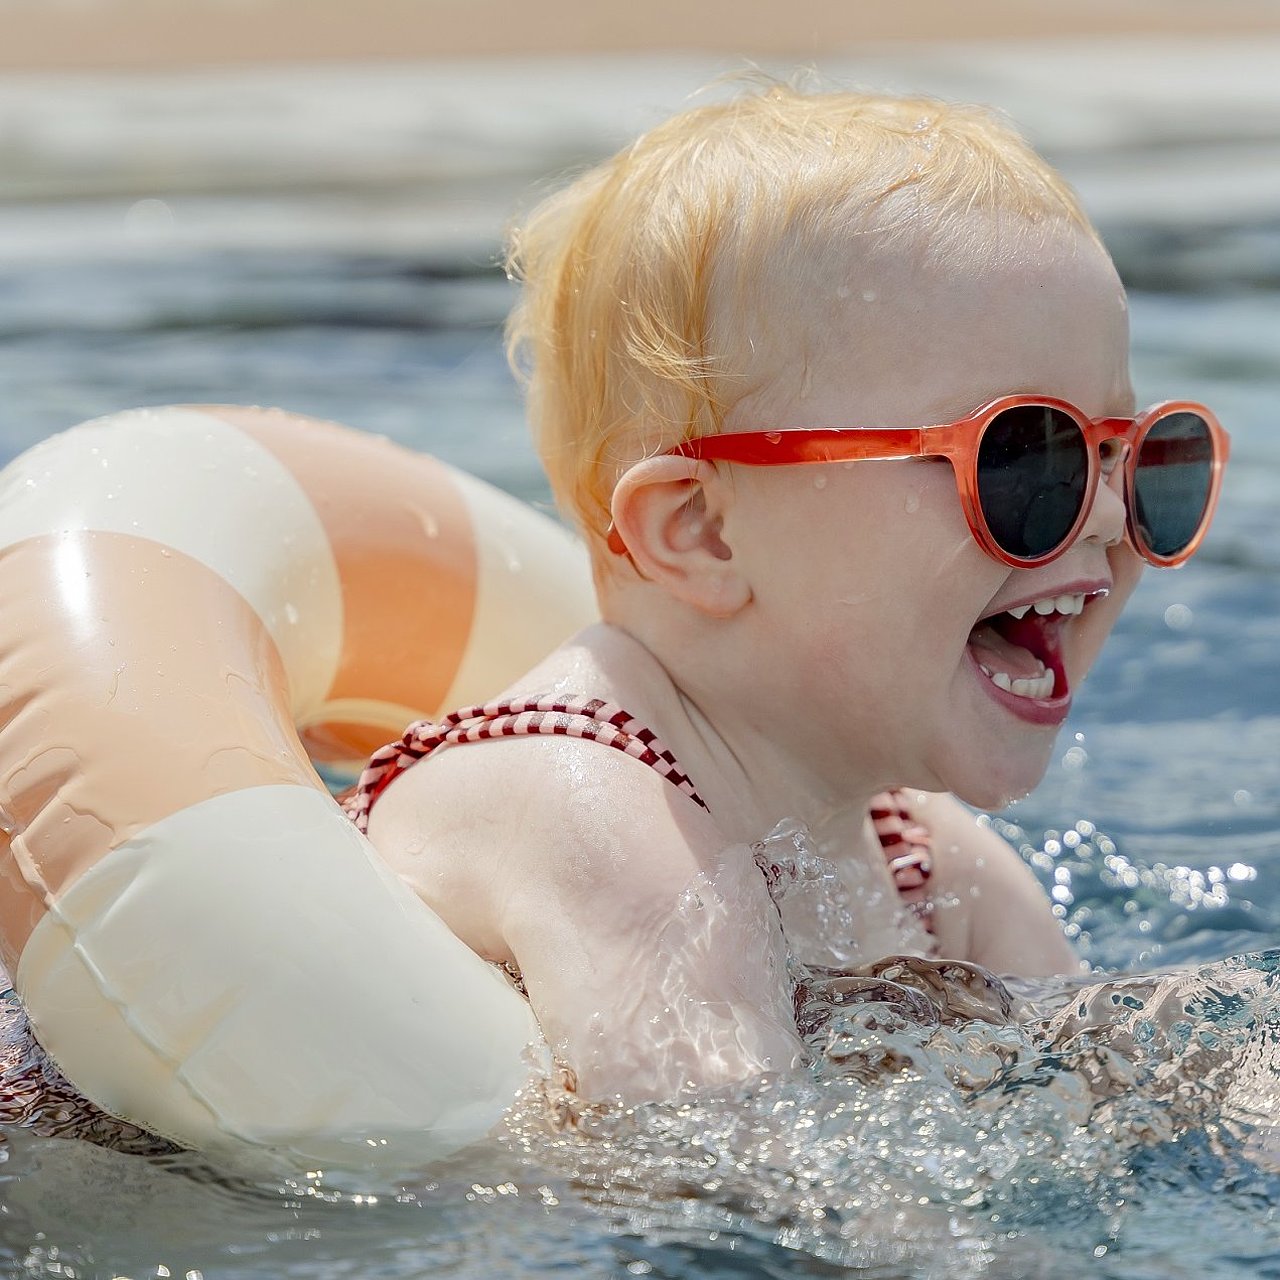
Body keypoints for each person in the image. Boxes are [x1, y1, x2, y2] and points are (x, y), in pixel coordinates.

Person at [344, 84, 1228, 1103]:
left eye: (1138, 455)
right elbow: (718, 1180)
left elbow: (1096, 1094)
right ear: (705, 533)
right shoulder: (576, 799)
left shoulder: (928, 868)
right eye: (1026, 457)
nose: (1112, 519)